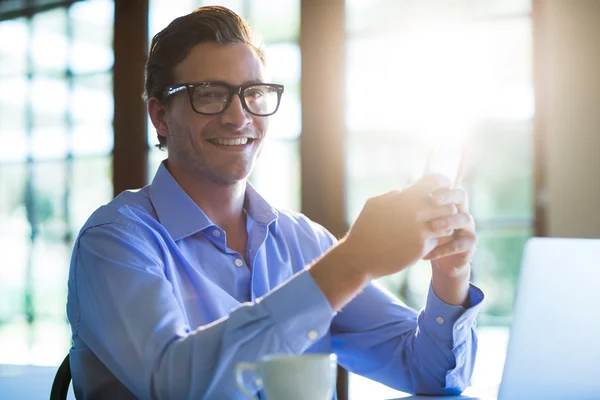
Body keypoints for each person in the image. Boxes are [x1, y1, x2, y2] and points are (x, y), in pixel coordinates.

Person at [66, 5, 484, 399]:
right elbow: (176, 387)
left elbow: (428, 372)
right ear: (160, 116)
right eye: (210, 94)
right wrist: (352, 262)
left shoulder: (303, 242)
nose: (238, 117)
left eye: (255, 93)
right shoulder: (115, 241)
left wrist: (451, 275)